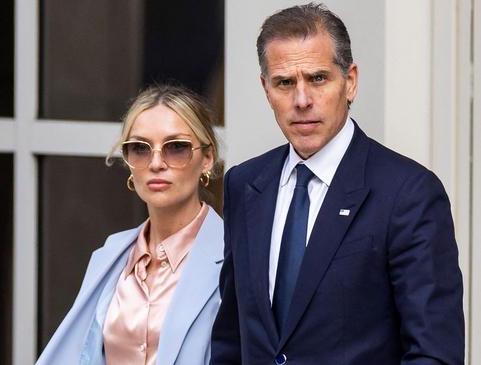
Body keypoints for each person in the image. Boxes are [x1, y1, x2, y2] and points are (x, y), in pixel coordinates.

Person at [210, 3, 464, 365]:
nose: (302, 100)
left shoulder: (408, 193)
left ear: (350, 81)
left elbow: (434, 354)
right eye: (285, 83)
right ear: (266, 89)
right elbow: (231, 340)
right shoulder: (245, 184)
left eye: (317, 78)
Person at [36, 84, 223, 365]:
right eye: (140, 148)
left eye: (176, 148)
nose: (156, 163)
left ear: (207, 158)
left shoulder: (236, 257)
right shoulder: (109, 256)